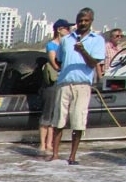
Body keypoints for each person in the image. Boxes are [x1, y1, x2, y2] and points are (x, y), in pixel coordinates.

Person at [47, 7, 105, 165]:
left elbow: (94, 63)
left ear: (91, 21)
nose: (83, 23)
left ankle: (72, 156)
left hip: (83, 84)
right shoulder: (66, 39)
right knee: (58, 120)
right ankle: (55, 154)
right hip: (64, 83)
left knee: (78, 121)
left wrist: (83, 51)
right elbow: (58, 60)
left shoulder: (97, 40)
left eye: (86, 20)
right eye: (80, 20)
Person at [39, 19, 73, 153]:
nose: (69, 31)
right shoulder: (52, 45)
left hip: (63, 82)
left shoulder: (68, 45)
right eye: (66, 28)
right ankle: (42, 144)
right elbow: (54, 63)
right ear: (59, 30)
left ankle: (49, 144)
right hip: (52, 82)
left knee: (56, 115)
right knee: (47, 114)